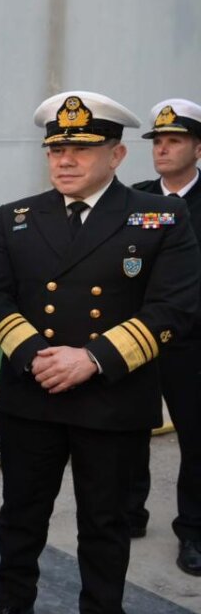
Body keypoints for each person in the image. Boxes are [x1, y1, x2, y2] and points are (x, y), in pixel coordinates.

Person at [0, 91, 200, 614]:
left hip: (111, 397)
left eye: (81, 148)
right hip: (32, 392)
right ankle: (11, 604)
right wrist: (34, 354)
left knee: (105, 523)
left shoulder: (160, 217)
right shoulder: (16, 216)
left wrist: (93, 358)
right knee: (21, 513)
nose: (65, 160)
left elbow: (175, 306)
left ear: (117, 155)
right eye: (57, 149)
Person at [124, 98, 201, 575]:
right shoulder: (136, 200)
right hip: (140, 339)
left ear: (198, 147)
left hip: (193, 343)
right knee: (129, 431)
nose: (162, 149)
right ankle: (129, 513)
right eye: (157, 141)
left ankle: (193, 530)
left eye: (174, 140)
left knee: (196, 439)